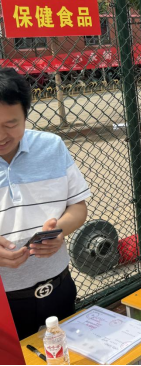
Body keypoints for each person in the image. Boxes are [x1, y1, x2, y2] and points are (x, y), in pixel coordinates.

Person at [0, 68, 91, 340]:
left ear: (26, 115)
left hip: (59, 289)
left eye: (11, 124)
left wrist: (59, 231)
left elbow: (78, 208)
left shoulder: (52, 147)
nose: (1, 135)